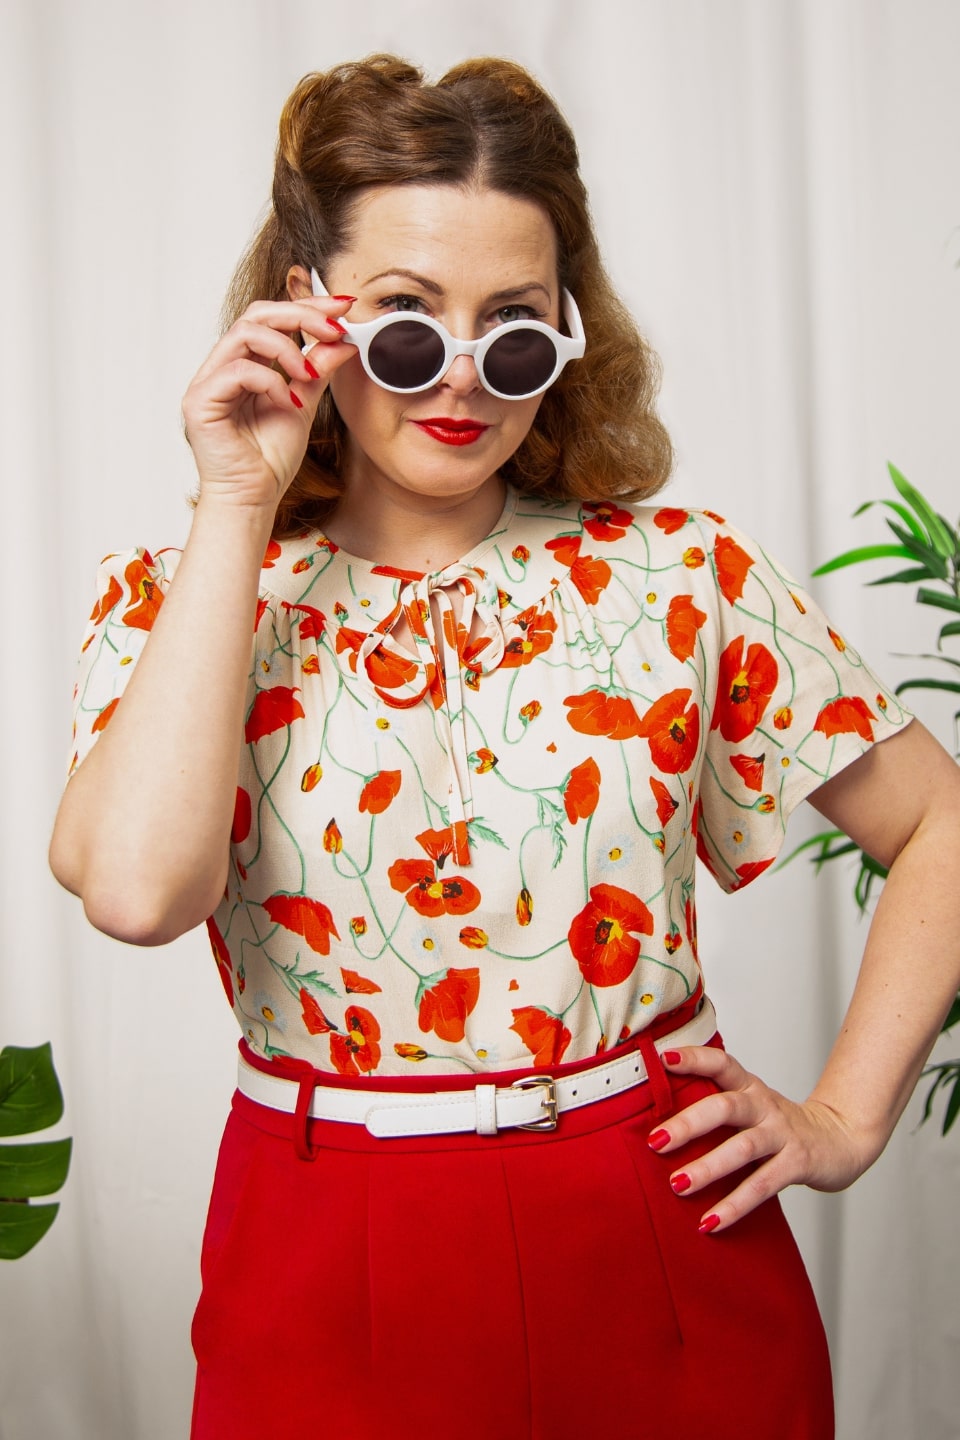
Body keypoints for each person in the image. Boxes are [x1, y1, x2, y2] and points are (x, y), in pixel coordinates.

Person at [49, 54, 960, 1440]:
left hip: (663, 1237)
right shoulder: (175, 600)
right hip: (324, 1255)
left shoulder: (681, 578)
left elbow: (943, 827)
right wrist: (238, 499)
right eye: (407, 325)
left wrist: (842, 1119)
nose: (465, 379)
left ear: (569, 330)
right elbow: (133, 894)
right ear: (308, 312)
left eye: (516, 330)